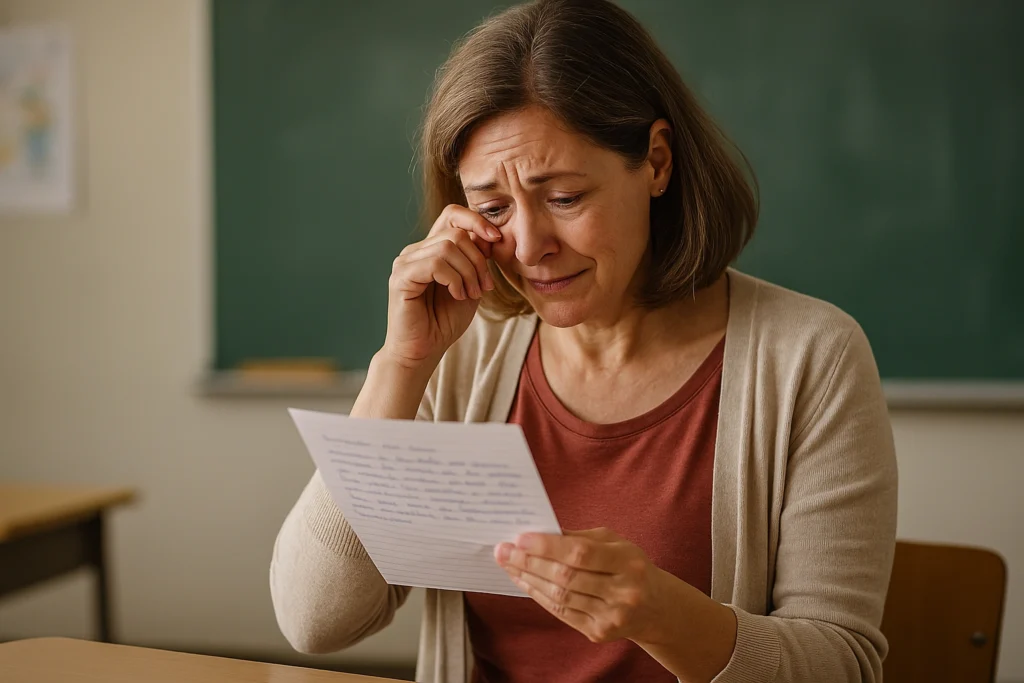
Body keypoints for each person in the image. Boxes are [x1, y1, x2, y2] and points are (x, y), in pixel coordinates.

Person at [270, 1, 898, 681]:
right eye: (493, 208)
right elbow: (314, 621)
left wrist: (662, 614)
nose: (529, 247)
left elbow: (842, 663)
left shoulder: (811, 358)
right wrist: (401, 365)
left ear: (656, 162)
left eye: (565, 197)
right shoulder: (462, 355)